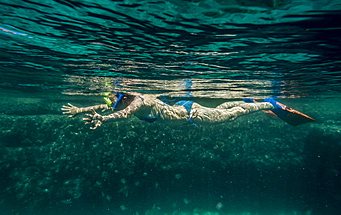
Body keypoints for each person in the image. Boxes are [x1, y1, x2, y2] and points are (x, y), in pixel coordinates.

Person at [62, 92, 315, 130]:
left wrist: (104, 120)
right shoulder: (123, 100)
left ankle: (268, 103)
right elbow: (106, 106)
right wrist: (82, 109)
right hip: (184, 108)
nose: (113, 103)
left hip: (190, 115)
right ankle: (250, 101)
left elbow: (124, 114)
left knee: (230, 115)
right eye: (112, 101)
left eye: (115, 99)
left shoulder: (136, 101)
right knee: (222, 109)